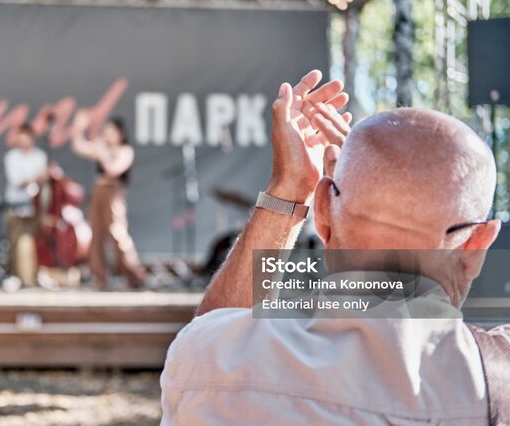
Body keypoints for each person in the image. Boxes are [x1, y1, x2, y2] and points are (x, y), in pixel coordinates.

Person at [160, 70, 506, 424]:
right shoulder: (496, 381)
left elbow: (215, 329)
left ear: (322, 214)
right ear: (478, 244)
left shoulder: (207, 359)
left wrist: (290, 190)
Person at [71, 114, 145, 289]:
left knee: (117, 232)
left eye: (111, 132)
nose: (108, 135)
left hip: (113, 191)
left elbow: (113, 170)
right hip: (98, 190)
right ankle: (100, 279)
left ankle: (133, 275)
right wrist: (78, 129)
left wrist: (102, 153)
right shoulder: (102, 148)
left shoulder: (125, 151)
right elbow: (79, 147)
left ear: (120, 133)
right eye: (106, 131)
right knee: (96, 235)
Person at [4, 123, 48, 286]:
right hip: (15, 204)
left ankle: (36, 274)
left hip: (35, 204)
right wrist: (36, 177)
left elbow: (43, 179)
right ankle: (15, 276)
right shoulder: (12, 156)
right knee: (14, 241)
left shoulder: (40, 156)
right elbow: (17, 180)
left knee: (38, 240)